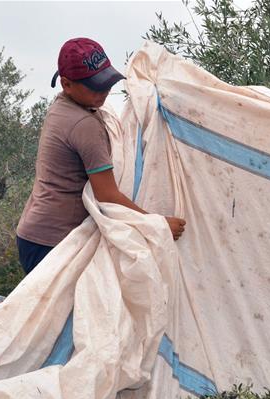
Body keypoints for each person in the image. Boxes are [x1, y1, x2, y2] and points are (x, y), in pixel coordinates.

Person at [16, 37, 185, 274]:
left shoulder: (62, 106)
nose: (104, 91)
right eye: (95, 86)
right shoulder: (84, 123)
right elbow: (107, 195)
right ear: (66, 84)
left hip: (34, 234)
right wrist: (157, 225)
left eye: (107, 82)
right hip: (52, 243)